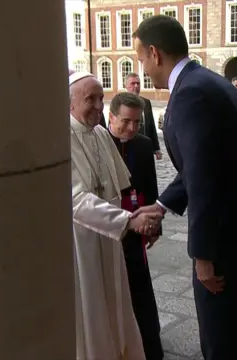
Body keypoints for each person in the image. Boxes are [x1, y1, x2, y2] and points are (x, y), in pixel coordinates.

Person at [131, 15, 237, 360]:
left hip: (226, 238)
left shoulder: (191, 95)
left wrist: (203, 255)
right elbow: (202, 165)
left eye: (141, 58)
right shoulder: (207, 81)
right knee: (233, 327)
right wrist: (162, 205)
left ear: (155, 53)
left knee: (220, 335)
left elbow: (206, 181)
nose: (143, 67)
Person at [68, 72, 162, 360]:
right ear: (69, 103)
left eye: (101, 98)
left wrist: (143, 215)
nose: (99, 106)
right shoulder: (60, 138)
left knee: (118, 301)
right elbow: (75, 199)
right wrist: (127, 221)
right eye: (90, 99)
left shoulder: (99, 134)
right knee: (92, 306)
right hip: (83, 240)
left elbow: (122, 186)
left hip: (111, 239)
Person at [107, 92, 164, 360]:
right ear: (112, 117)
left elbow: (150, 188)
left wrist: (155, 226)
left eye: (137, 123)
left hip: (139, 224)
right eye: (126, 121)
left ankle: (150, 347)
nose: (131, 128)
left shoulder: (142, 145)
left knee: (140, 287)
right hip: (111, 227)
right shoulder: (101, 142)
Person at [125, 73, 163, 160]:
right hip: (128, 149)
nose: (136, 86)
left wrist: (156, 148)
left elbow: (151, 125)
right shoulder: (120, 103)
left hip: (145, 148)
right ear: (126, 86)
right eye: (132, 83)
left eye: (138, 83)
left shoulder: (146, 102)